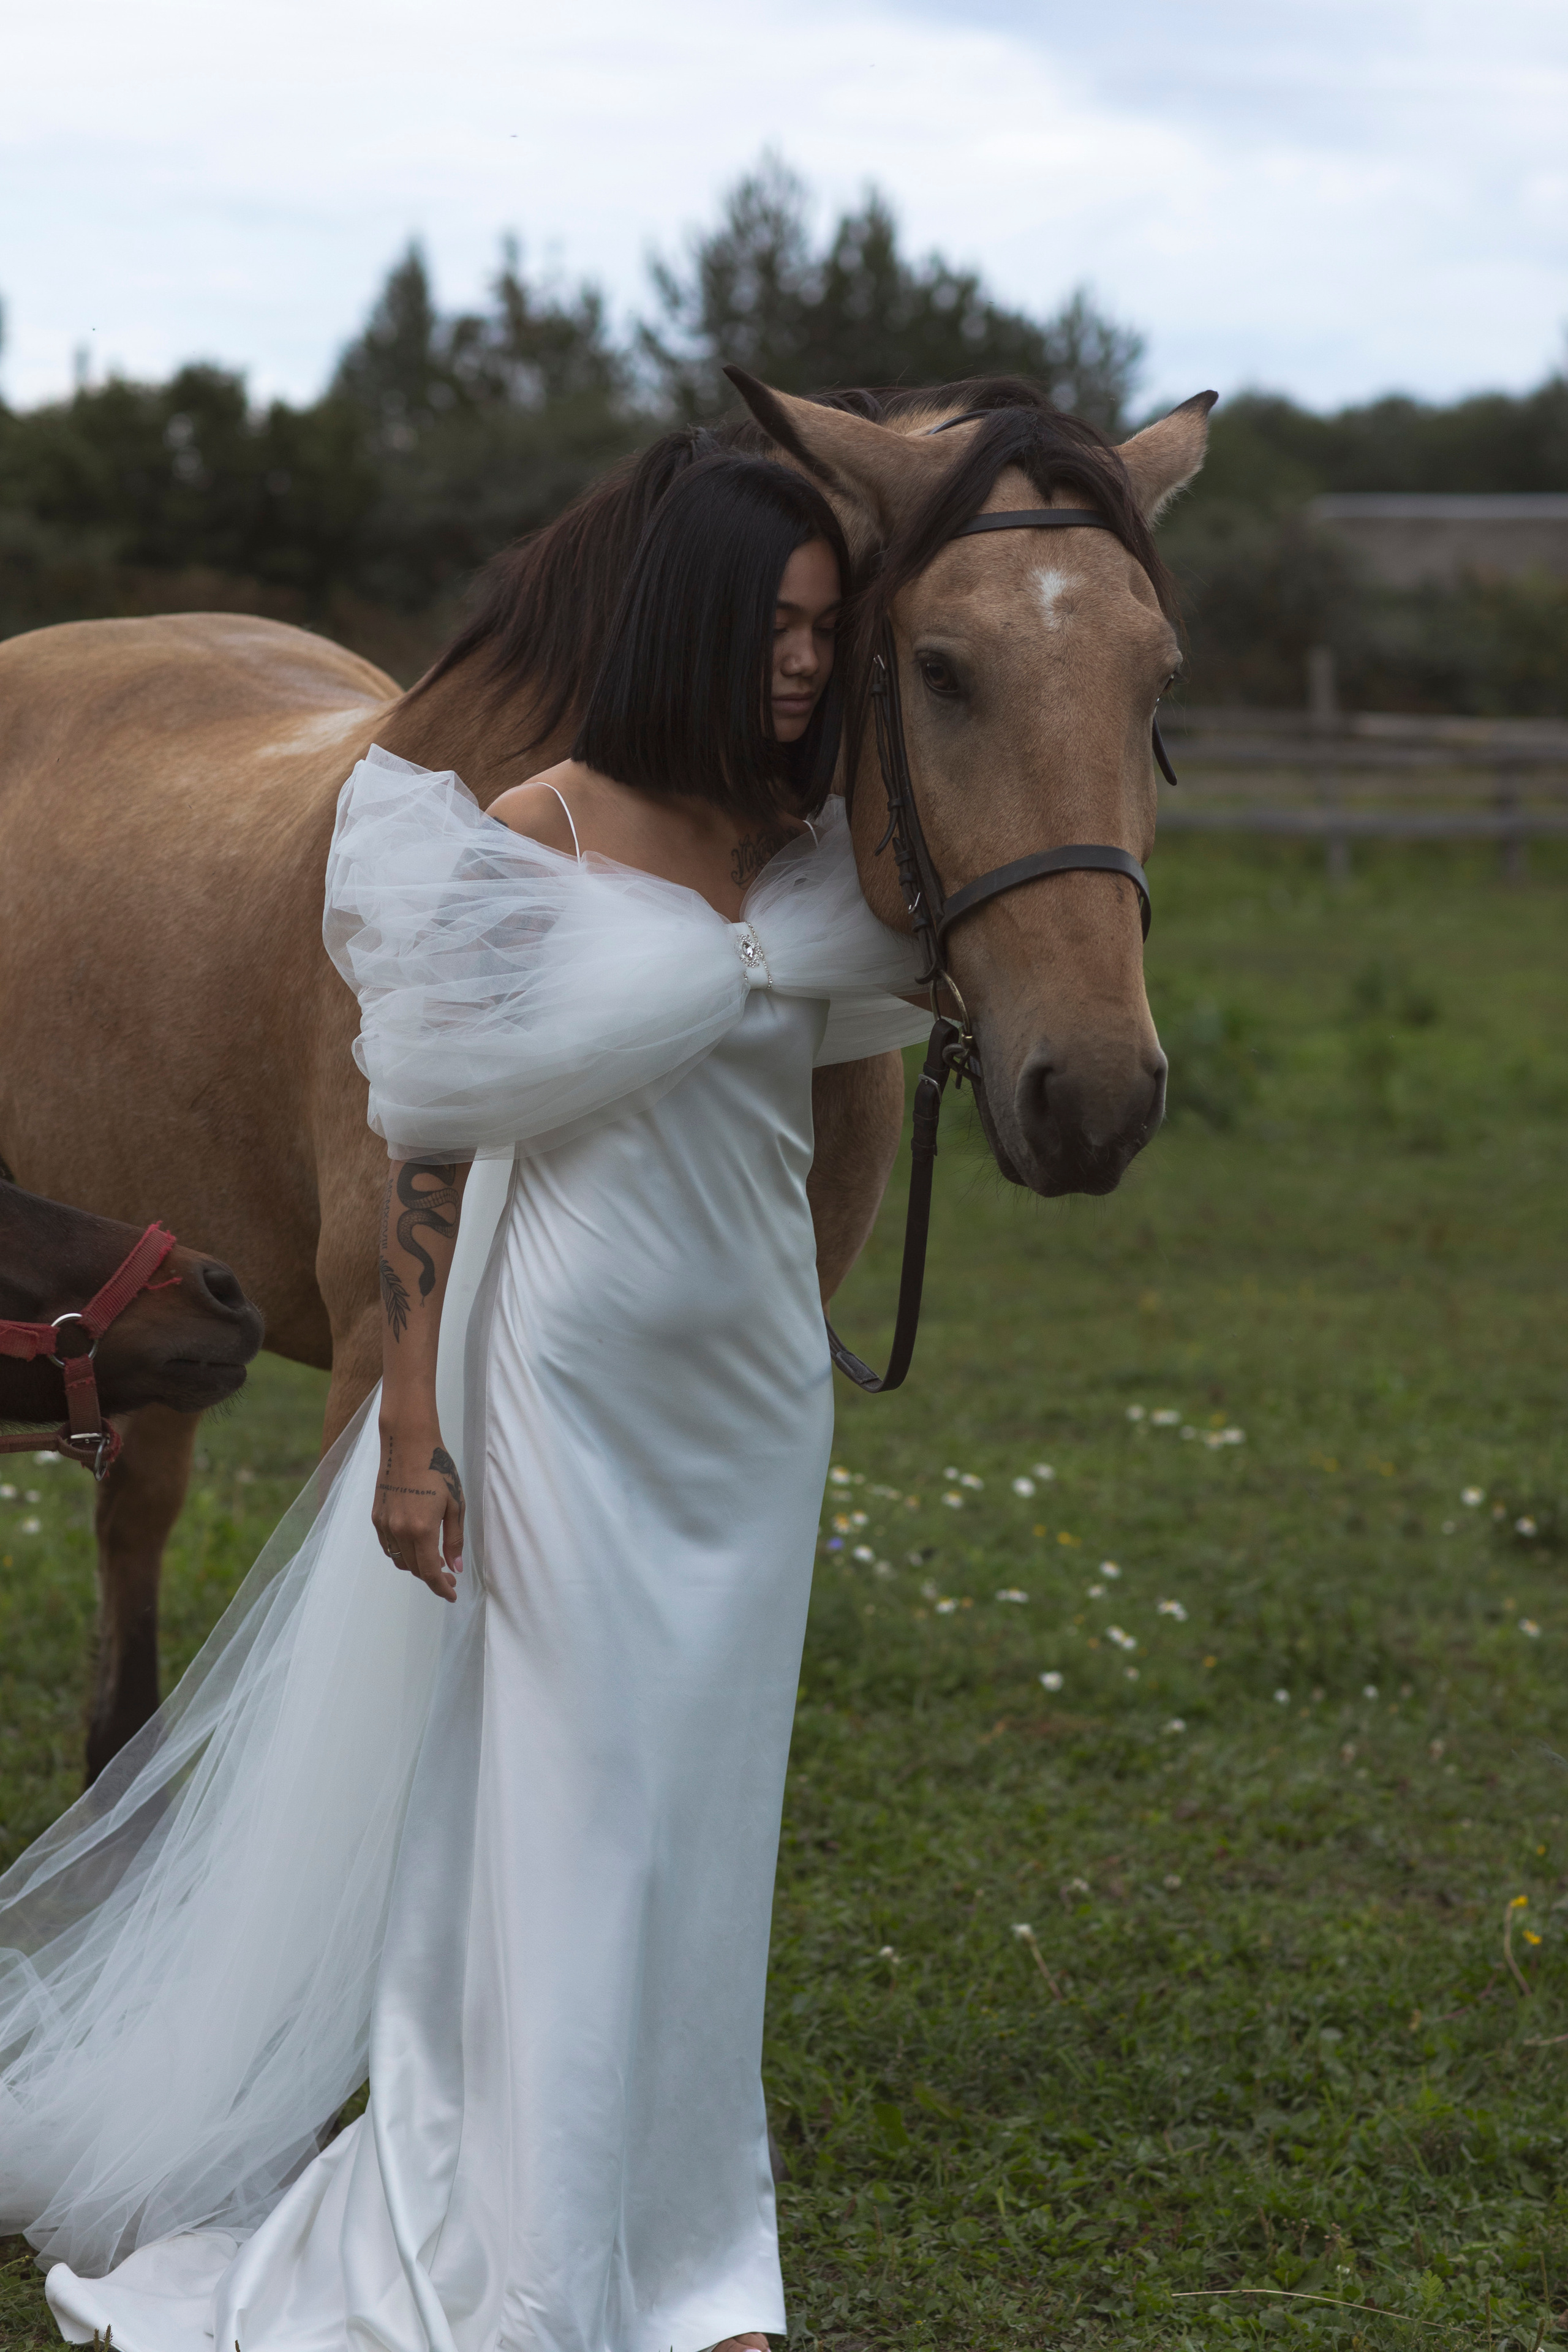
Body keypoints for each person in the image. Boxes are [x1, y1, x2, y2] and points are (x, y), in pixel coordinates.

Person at [0, 453, 929, 2352]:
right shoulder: (527, 825)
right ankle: (504, 2253)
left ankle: (693, 2257)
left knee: (702, 1816)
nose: (803, 663)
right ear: (685, 624)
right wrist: (410, 1416)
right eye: (775, 627)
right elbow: (423, 1139)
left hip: (748, 1405)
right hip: (562, 1378)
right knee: (556, 1807)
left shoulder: (817, 847)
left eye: (832, 633)